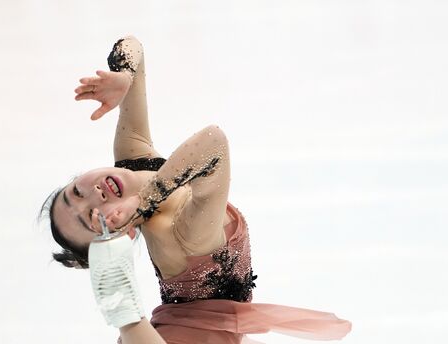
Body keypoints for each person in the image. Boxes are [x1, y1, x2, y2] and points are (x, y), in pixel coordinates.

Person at [40, 35, 352, 344]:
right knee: (129, 318)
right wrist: (142, 203)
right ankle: (125, 316)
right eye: (93, 216)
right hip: (194, 339)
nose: (96, 195)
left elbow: (133, 46)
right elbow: (213, 143)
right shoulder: (182, 233)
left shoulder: (134, 163)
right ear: (121, 235)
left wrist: (125, 76)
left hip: (184, 324)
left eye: (77, 193)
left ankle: (126, 317)